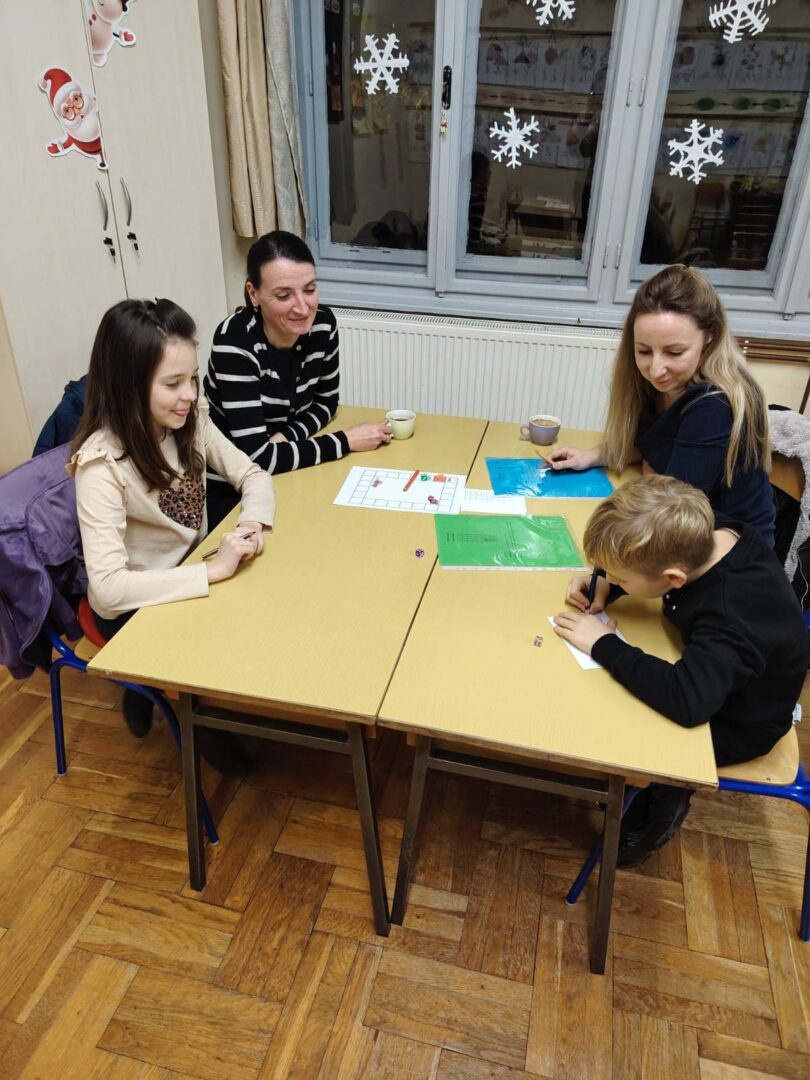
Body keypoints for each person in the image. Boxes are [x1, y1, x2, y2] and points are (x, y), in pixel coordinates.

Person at [552, 476, 807, 867]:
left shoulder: (732, 617)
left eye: (620, 576)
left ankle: (665, 799)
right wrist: (606, 583)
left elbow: (688, 701)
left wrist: (603, 643)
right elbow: (650, 563)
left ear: (674, 579)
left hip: (735, 721)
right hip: (713, 673)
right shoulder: (704, 530)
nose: (611, 578)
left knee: (610, 722)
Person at [69, 298, 275, 763]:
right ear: (128, 385)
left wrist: (250, 524)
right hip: (135, 600)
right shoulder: (101, 466)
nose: (190, 394)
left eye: (193, 378)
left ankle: (156, 690)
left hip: (191, 568)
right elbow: (108, 592)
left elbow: (253, 475)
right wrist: (213, 572)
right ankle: (188, 712)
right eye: (173, 383)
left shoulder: (190, 421)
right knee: (217, 642)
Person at [547, 264, 775, 545]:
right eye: (644, 350)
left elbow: (673, 509)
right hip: (680, 527)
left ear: (710, 337)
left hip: (730, 545)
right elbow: (651, 445)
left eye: (674, 352)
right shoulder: (659, 383)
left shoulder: (714, 404)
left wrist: (652, 470)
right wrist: (592, 456)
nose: (656, 369)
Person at [204, 230, 391, 525]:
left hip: (289, 467)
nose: (303, 308)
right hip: (233, 487)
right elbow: (256, 458)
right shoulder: (235, 342)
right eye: (284, 295)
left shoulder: (323, 325)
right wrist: (345, 441)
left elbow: (326, 403)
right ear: (253, 293)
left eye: (310, 289)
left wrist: (288, 436)